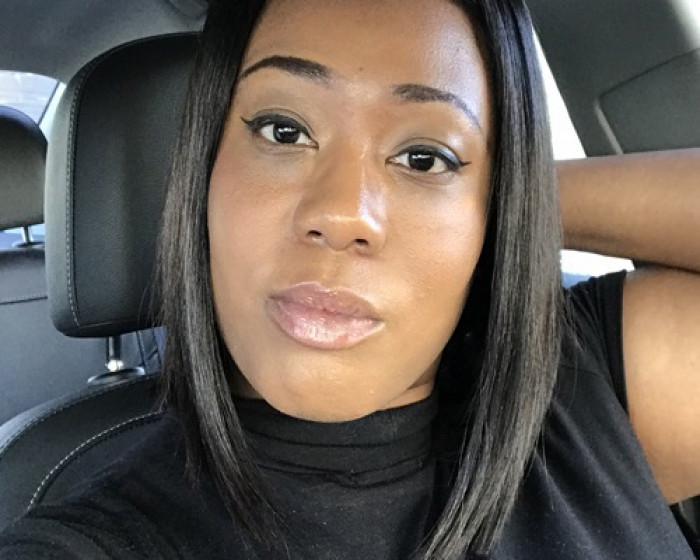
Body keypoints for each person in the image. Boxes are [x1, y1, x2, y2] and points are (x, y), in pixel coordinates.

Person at [1, 0, 699, 558]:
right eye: (282, 131)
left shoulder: (588, 385)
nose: (340, 215)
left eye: (425, 158)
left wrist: (516, 201)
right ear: (202, 170)